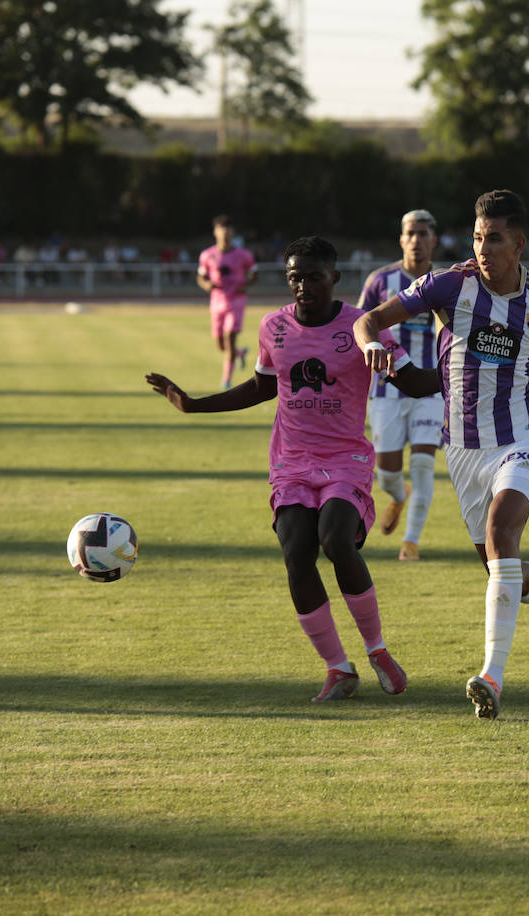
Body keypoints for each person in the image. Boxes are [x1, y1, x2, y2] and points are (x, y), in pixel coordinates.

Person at [355, 189, 529, 720]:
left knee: (503, 533)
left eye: (495, 238)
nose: (483, 248)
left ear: (520, 243)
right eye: (478, 237)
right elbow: (368, 320)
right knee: (501, 570)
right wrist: (374, 345)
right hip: (462, 449)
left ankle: (492, 677)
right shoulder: (449, 284)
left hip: (522, 439)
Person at [147, 236, 435, 702]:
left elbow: (415, 382)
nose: (303, 286)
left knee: (336, 538)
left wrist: (462, 371)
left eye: (313, 277)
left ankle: (378, 651)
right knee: (296, 551)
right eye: (295, 278)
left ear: (334, 279)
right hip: (292, 462)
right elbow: (262, 387)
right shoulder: (273, 327)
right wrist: (194, 405)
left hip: (346, 458)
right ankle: (339, 668)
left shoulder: (361, 327)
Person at [357, 209, 444, 561]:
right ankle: (397, 495)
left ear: (433, 239)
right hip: (387, 391)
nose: (416, 240)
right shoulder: (380, 280)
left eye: (423, 234)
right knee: (387, 474)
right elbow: (359, 325)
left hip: (431, 389)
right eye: (410, 233)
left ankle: (411, 541)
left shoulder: (446, 281)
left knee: (423, 466)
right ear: (401, 238)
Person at [197, 215, 259, 389]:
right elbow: (201, 277)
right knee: (220, 344)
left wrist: (246, 285)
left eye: (227, 229)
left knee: (229, 337)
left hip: (236, 301)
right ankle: (239, 354)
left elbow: (254, 274)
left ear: (232, 232)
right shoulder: (207, 255)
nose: (224, 233)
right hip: (217, 301)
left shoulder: (243, 255)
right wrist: (206, 284)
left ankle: (226, 381)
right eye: (220, 229)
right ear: (215, 232)